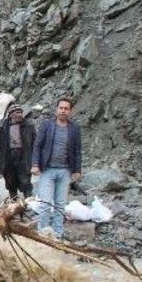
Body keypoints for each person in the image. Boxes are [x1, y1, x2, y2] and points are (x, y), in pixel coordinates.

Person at [32, 96, 83, 239]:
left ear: (70, 111)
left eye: (66, 109)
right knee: (46, 203)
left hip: (65, 171)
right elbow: (37, 145)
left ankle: (57, 234)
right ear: (56, 109)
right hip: (47, 170)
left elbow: (77, 151)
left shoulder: (74, 128)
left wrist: (77, 170)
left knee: (60, 204)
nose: (63, 111)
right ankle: (42, 233)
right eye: (61, 108)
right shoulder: (46, 125)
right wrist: (35, 164)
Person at [0, 102, 35, 200]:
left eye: (20, 112)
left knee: (25, 181)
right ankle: (14, 202)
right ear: (10, 114)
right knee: (10, 181)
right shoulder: (3, 127)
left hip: (23, 156)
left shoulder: (28, 126)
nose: (19, 114)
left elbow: (35, 143)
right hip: (8, 157)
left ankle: (29, 202)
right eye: (16, 112)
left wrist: (36, 159)